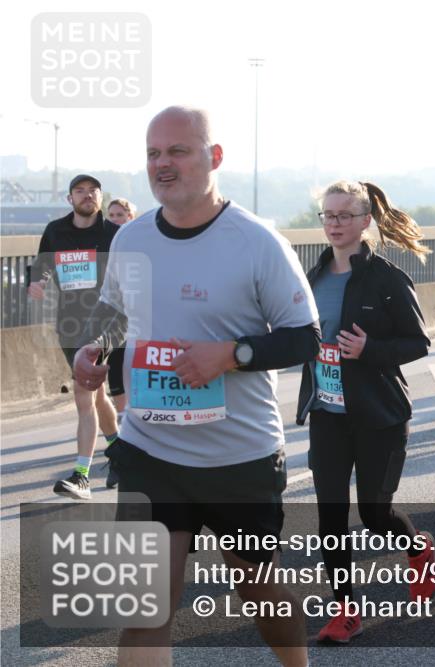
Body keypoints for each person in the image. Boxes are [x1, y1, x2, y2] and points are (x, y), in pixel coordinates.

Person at [74, 106, 318, 666]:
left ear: (214, 157)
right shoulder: (132, 238)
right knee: (145, 609)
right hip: (150, 451)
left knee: (258, 590)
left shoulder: (257, 241)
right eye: (153, 154)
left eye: (178, 151)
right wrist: (96, 349)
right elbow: (115, 313)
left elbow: (305, 338)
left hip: (239, 456)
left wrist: (230, 355)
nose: (163, 164)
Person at [295, 180, 435, 643]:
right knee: (331, 519)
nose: (335, 224)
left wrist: (369, 349)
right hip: (327, 414)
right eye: (328, 215)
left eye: (345, 215)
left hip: (379, 415)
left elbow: (417, 342)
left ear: (365, 220)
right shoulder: (312, 276)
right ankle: (345, 611)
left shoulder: (387, 278)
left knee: (375, 514)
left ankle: (418, 549)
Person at [28, 174, 119, 499]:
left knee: (84, 392)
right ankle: (119, 450)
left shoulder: (114, 234)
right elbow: (41, 265)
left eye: (93, 191)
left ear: (101, 197)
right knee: (97, 394)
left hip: (103, 324)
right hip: (68, 324)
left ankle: (81, 476)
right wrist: (37, 281)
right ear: (70, 199)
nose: (87, 195)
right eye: (80, 191)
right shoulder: (55, 231)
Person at [105, 199, 138, 416]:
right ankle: (122, 415)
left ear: (130, 217)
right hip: (113, 310)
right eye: (111, 215)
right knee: (115, 360)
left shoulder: (140, 239)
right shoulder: (105, 240)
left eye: (120, 215)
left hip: (137, 310)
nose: (115, 219)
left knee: (134, 359)